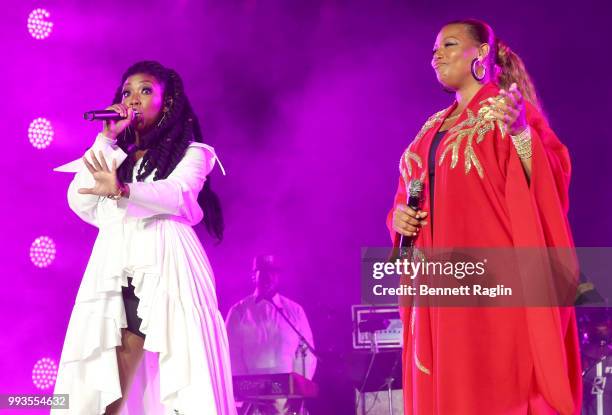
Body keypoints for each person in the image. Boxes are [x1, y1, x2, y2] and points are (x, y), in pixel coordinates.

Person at [387, 20, 582, 414]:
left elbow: (551, 182)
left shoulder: (509, 112)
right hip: (441, 296)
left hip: (494, 292)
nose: (436, 55)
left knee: (494, 390)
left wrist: (522, 136)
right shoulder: (429, 130)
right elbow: (408, 194)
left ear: (480, 54)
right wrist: (398, 218)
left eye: (449, 45)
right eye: (434, 50)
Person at [52, 61, 236, 415]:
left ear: (167, 103)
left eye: (145, 90)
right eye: (126, 91)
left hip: (168, 267)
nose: (133, 98)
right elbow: (79, 198)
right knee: (102, 385)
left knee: (184, 376)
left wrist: (123, 190)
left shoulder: (194, 153)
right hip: (115, 269)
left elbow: (178, 193)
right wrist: (106, 138)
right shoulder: (115, 156)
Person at [225, 254, 317, 415]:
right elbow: (231, 354)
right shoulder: (239, 311)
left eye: (273, 272)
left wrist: (297, 388)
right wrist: (246, 389)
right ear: (254, 276)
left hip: (288, 398)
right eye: (264, 271)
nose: (269, 277)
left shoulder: (295, 311)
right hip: (251, 399)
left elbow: (307, 352)